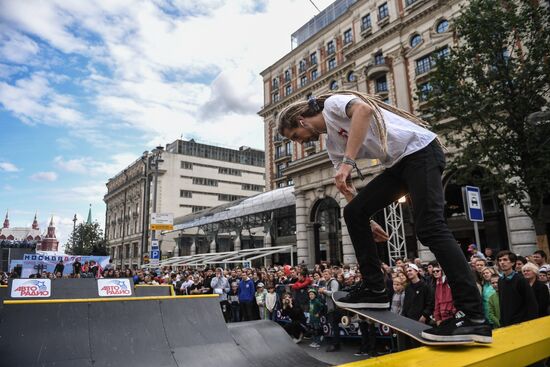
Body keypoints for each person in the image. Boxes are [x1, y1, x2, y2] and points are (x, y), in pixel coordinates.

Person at [277, 91, 490, 342]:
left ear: (301, 120)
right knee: (354, 211)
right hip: (399, 165)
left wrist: (348, 162)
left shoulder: (334, 105)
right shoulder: (332, 144)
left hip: (421, 151)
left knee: (430, 228)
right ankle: (375, 289)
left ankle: (473, 317)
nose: (300, 142)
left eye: (295, 137)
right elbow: (345, 187)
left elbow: (363, 111)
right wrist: (368, 221)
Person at [496, 250, 538, 327]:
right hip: (506, 323)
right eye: (500, 260)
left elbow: (531, 302)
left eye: (505, 260)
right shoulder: (500, 280)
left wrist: (530, 323)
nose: (502, 262)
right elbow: (502, 303)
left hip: (521, 323)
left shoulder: (520, 280)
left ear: (512, 263)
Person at [318, 269, 341, 352]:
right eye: (324, 274)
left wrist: (323, 291)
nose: (325, 276)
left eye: (327, 274)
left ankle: (336, 345)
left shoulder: (333, 282)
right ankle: (335, 343)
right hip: (330, 307)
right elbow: (327, 296)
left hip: (335, 308)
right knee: (333, 326)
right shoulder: (327, 283)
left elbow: (334, 293)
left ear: (331, 274)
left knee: (335, 326)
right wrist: (322, 292)